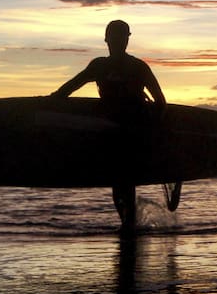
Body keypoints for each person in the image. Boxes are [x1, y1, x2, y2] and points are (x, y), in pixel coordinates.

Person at [52, 20, 179, 230]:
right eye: (115, 37)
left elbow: (160, 101)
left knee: (124, 179)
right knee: (119, 182)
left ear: (128, 40)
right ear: (106, 39)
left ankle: (129, 227)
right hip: (110, 132)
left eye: (122, 37)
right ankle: (129, 226)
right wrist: (51, 100)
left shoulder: (138, 67)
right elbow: (72, 86)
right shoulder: (99, 65)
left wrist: (154, 131)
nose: (118, 41)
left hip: (134, 131)